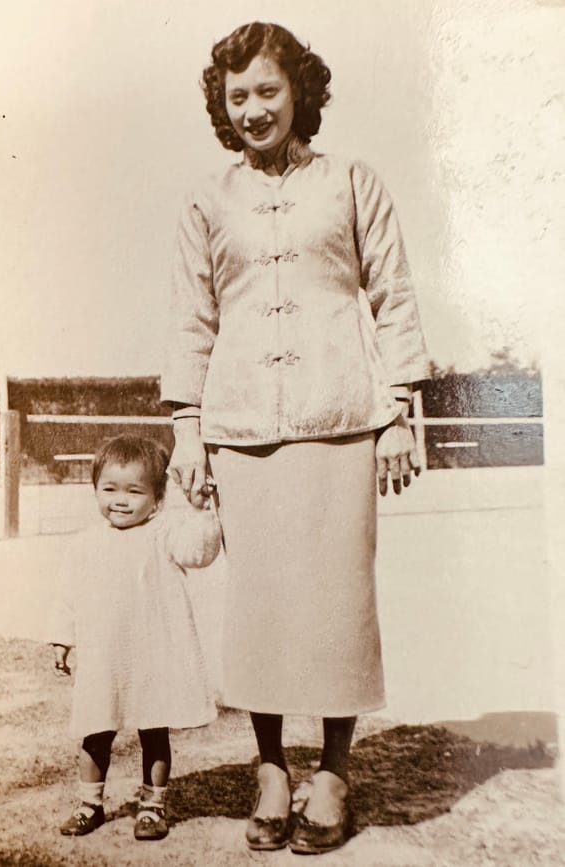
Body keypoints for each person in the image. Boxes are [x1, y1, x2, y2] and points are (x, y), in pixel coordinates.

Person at [161, 21, 431, 855]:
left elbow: (393, 294)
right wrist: (189, 431)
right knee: (265, 610)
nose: (253, 109)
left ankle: (336, 771)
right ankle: (273, 766)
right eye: (237, 95)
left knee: (337, 605)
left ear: (299, 91)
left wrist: (397, 412)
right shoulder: (207, 200)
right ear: (222, 103)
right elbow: (191, 319)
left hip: (342, 420)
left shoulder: (352, 181)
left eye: (268, 91)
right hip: (243, 430)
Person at [49, 434, 221, 841]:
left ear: (158, 498)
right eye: (109, 489)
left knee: (153, 732)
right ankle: (89, 804)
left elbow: (200, 553)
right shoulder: (85, 544)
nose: (120, 500)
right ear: (95, 490)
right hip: (104, 658)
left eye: (134, 491)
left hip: (152, 656)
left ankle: (152, 806)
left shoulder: (164, 534)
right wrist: (61, 638)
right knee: (96, 731)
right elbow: (67, 597)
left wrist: (200, 512)